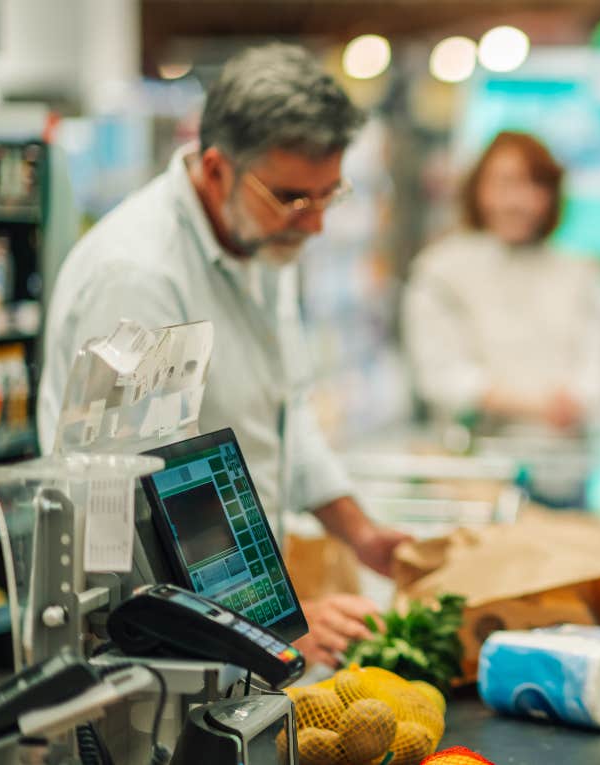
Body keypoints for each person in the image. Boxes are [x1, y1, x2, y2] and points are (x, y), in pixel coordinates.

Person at [38, 44, 409, 667]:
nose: (314, 224)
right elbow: (130, 509)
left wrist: (359, 531)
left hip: (237, 635)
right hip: (151, 654)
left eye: (328, 195)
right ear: (216, 170)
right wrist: (268, 623)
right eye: (294, 198)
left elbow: (285, 413)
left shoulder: (260, 242)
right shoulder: (137, 278)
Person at [403, 131, 600, 433]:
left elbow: (598, 368)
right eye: (505, 184)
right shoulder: (440, 270)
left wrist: (577, 398)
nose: (518, 201)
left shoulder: (579, 272)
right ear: (477, 189)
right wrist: (528, 404)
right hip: (473, 455)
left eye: (534, 185)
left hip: (563, 461)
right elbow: (439, 375)